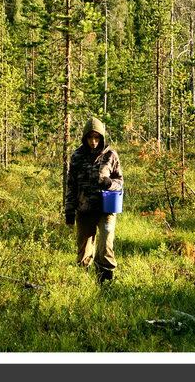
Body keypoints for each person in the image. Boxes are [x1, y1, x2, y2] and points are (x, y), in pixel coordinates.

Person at [65, 117, 123, 283]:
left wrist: (109, 183)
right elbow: (71, 185)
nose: (93, 141)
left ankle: (105, 281)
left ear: (102, 137)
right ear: (85, 138)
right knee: (84, 249)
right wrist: (69, 210)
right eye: (90, 137)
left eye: (97, 137)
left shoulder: (111, 155)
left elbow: (120, 182)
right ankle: (83, 282)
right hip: (84, 209)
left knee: (105, 246)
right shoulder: (77, 156)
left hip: (106, 209)